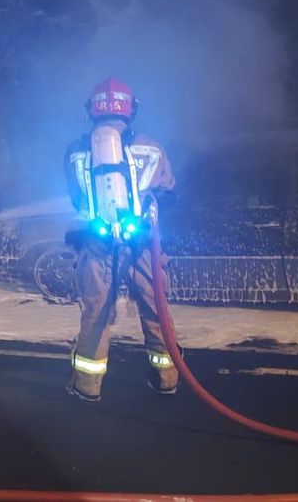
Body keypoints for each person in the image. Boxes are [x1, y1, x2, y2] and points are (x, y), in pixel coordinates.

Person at [63, 77, 178, 402]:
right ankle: (166, 377)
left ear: (91, 109)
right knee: (155, 308)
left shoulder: (75, 150)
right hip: (142, 243)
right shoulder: (151, 148)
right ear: (131, 109)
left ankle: (87, 385)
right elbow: (169, 190)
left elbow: (75, 196)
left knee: (97, 311)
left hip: (95, 242)